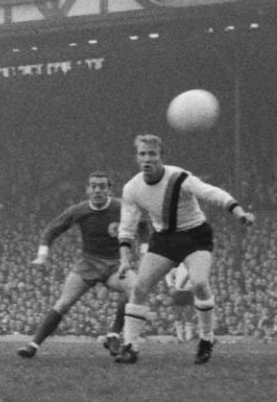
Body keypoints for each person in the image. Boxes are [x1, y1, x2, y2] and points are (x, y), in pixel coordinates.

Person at [114, 134, 255, 364]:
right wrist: (124, 259)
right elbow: (126, 228)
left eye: (152, 154)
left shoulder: (179, 177)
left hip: (194, 235)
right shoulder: (132, 188)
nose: (147, 159)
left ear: (162, 157)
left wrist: (238, 211)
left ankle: (206, 339)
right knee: (139, 288)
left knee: (199, 283)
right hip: (164, 239)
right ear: (136, 158)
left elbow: (210, 192)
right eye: (142, 154)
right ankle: (130, 347)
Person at [17, 171, 147, 359]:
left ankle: (113, 335)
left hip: (115, 264)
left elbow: (143, 225)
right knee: (63, 303)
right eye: (93, 186)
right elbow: (52, 229)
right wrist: (42, 255)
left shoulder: (121, 207)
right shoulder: (79, 210)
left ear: (109, 189)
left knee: (135, 289)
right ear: (87, 189)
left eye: (102, 186)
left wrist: (144, 251)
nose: (97, 190)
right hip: (88, 263)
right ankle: (33, 345)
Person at [165, 262, 197, 342]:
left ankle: (189, 336)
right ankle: (179, 336)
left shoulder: (193, 263)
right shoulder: (177, 264)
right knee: (178, 314)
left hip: (189, 291)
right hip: (178, 291)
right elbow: (168, 274)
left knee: (189, 314)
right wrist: (170, 285)